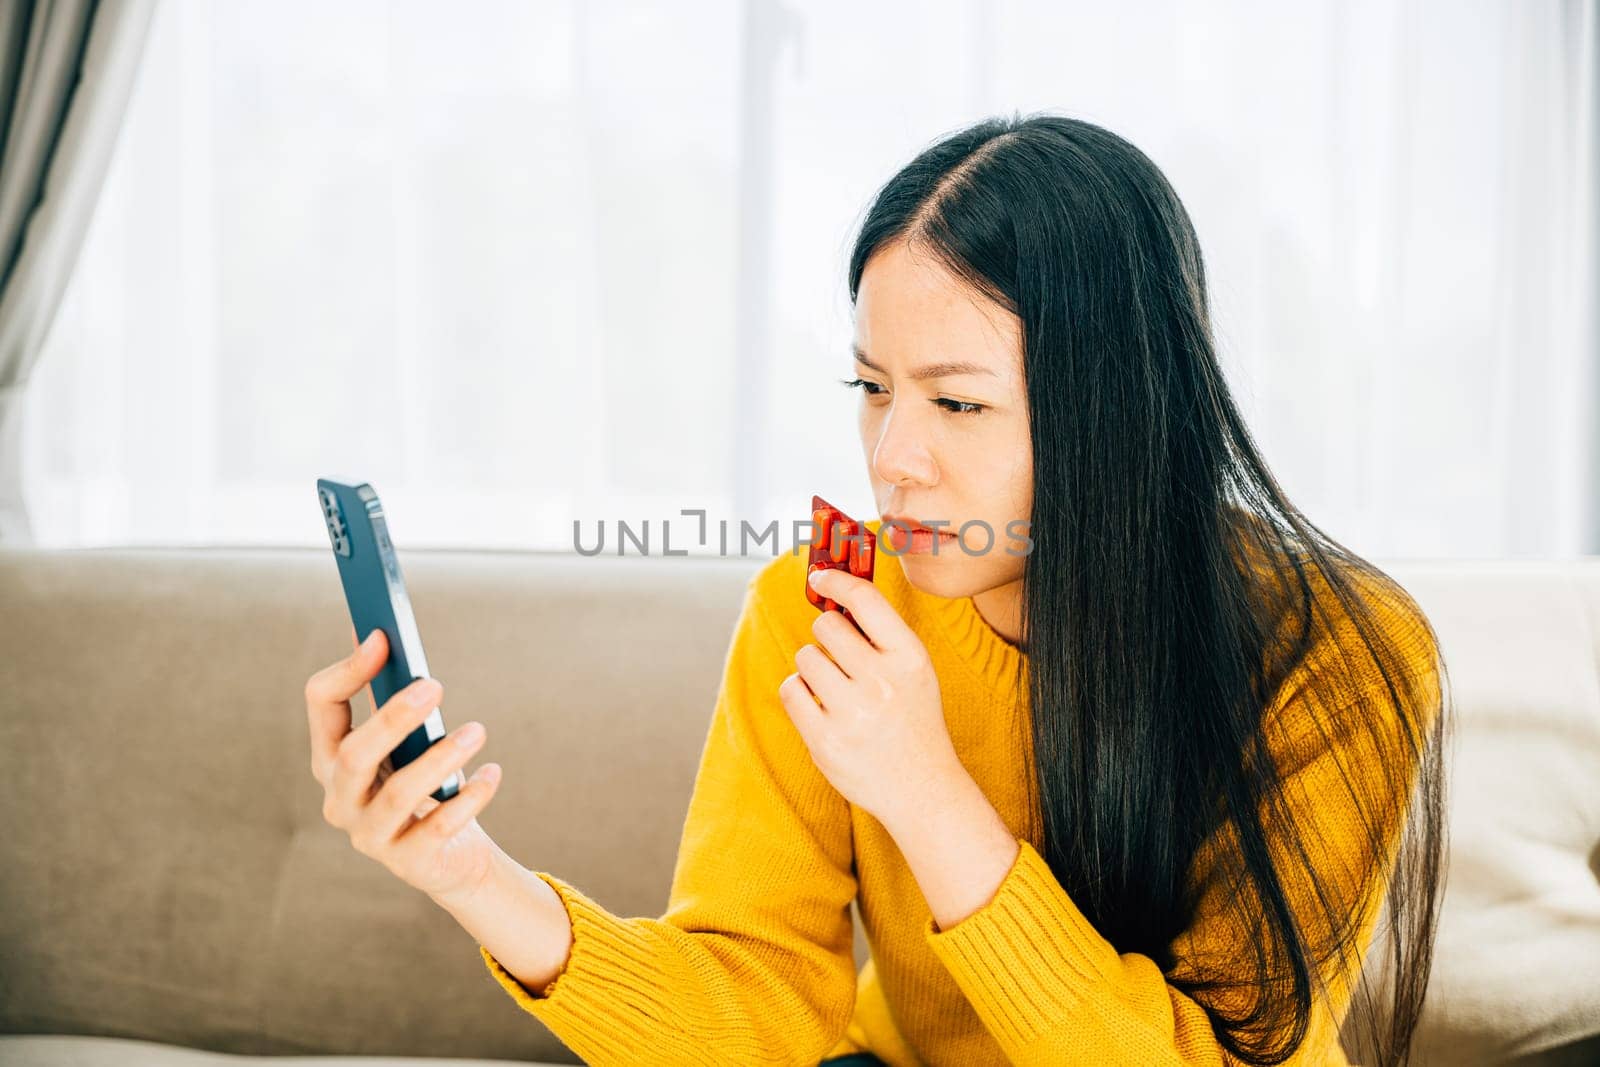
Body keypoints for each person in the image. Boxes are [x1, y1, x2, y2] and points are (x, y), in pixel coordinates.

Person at [304, 112, 1448, 1066]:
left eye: (957, 403)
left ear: (1124, 410)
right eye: (869, 386)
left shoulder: (1340, 650)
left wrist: (927, 792)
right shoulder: (819, 603)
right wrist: (477, 880)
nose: (891, 455)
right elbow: (755, 999)